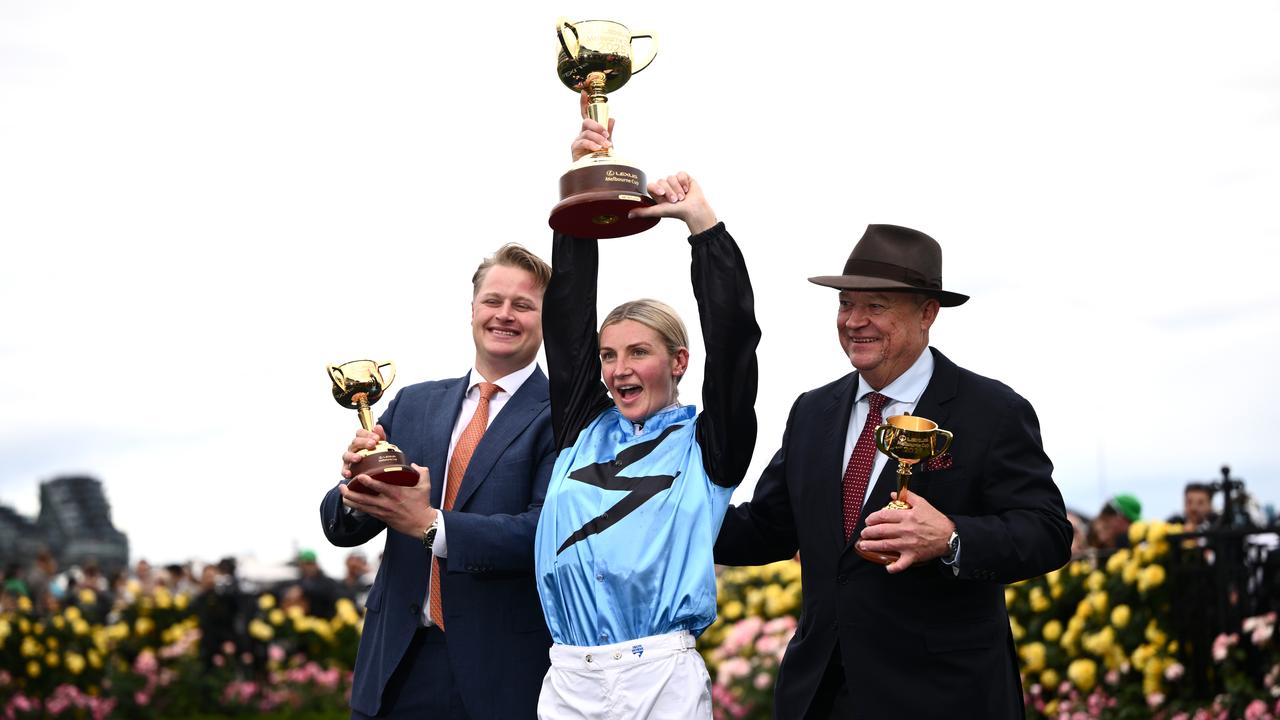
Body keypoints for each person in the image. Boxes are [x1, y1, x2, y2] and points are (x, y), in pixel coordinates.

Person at [713, 224, 1073, 719]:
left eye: (876, 305)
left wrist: (950, 538)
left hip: (943, 700)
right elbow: (767, 530)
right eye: (845, 305)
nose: (854, 321)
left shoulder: (991, 410)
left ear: (928, 313)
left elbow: (1049, 533)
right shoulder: (812, 411)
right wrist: (663, 513)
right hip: (819, 697)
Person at [533, 103, 760, 719]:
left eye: (639, 352)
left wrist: (703, 229)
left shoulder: (712, 443)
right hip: (566, 678)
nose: (618, 369)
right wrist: (585, 186)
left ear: (679, 361)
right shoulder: (583, 426)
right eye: (608, 356)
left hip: (660, 676)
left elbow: (736, 342)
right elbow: (567, 315)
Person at [320, 244, 557, 720]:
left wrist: (430, 524)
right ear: (472, 309)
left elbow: (544, 533)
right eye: (493, 301)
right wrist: (359, 491)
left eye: (523, 305)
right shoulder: (413, 403)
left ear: (546, 319)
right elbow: (339, 527)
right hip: (396, 668)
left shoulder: (567, 416)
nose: (504, 315)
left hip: (502, 678)